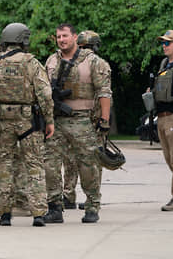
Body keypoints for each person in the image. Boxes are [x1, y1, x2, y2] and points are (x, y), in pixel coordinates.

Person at [0, 23, 55, 227]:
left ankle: (5, 213)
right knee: (34, 165)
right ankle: (38, 213)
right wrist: (49, 120)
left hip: (2, 121)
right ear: (24, 39)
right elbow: (45, 94)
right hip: (28, 122)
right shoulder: (31, 63)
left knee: (4, 166)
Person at [43, 26, 112, 224]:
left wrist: (104, 121)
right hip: (56, 121)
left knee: (88, 164)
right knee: (50, 165)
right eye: (58, 37)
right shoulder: (52, 61)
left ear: (74, 37)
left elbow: (104, 92)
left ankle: (92, 205)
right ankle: (54, 206)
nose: (61, 40)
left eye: (65, 36)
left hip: (83, 119)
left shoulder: (93, 62)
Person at [150, 30, 173, 211]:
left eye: (168, 43)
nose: (164, 46)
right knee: (169, 159)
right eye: (163, 43)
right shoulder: (164, 64)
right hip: (162, 117)